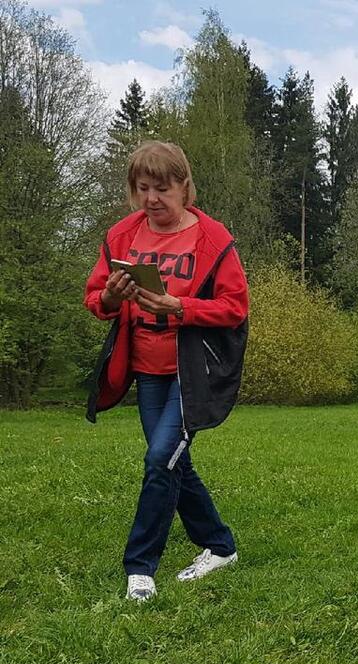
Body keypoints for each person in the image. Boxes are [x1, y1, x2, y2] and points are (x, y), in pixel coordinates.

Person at [83, 141, 248, 602]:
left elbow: (235, 308)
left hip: (190, 373)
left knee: (160, 459)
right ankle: (220, 546)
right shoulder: (121, 235)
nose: (152, 199)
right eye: (142, 188)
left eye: (162, 188)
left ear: (184, 187)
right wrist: (113, 297)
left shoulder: (213, 238)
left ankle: (140, 568)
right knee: (174, 460)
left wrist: (181, 306)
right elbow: (95, 298)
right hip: (146, 369)